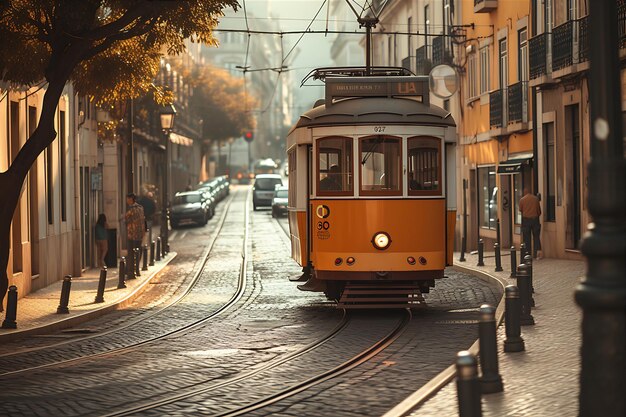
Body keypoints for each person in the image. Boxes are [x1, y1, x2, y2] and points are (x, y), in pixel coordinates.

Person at [519, 187, 542, 259]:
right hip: (535, 220)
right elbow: (539, 211)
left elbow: (521, 210)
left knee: (526, 238)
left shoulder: (522, 200)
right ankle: (537, 254)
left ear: (524, 192)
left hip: (526, 220)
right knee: (536, 237)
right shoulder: (535, 199)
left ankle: (528, 254)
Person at [125, 193, 146, 265]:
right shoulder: (141, 207)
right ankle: (137, 265)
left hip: (132, 234)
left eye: (127, 199)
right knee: (138, 250)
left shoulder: (131, 209)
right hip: (140, 233)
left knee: (132, 251)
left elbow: (126, 218)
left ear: (131, 199)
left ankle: (132, 267)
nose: (126, 201)